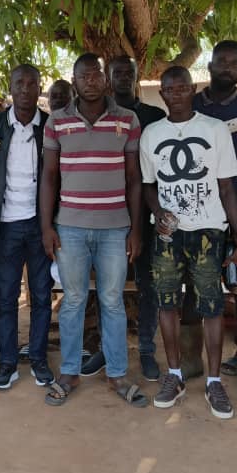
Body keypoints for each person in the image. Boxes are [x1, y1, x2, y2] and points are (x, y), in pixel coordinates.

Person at [39, 53, 146, 407]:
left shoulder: (128, 120)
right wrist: (46, 228)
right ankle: (69, 371)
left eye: (96, 74)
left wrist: (135, 230)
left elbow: (134, 179)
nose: (90, 80)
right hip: (69, 228)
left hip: (116, 229)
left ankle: (117, 374)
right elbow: (49, 178)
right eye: (83, 76)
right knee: (72, 301)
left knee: (112, 302)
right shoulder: (56, 122)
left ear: (105, 79)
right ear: (74, 80)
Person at [142, 66, 237, 417]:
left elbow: (227, 187)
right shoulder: (151, 135)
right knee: (167, 303)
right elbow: (147, 186)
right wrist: (158, 211)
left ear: (193, 89)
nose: (176, 94)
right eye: (169, 90)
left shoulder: (214, 130)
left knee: (212, 306)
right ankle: (174, 374)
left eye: (182, 88)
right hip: (168, 235)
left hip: (208, 231)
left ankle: (214, 380)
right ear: (162, 95)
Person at [81, 56, 165, 381]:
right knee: (107, 288)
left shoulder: (154, 118)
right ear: (107, 78)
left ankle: (146, 349)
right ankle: (106, 349)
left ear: (136, 77)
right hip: (107, 215)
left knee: (148, 286)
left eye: (129, 73)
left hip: (146, 215)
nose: (123, 78)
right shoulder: (96, 116)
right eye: (117, 73)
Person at [192, 40, 237, 399]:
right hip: (196, 208)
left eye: (233, 62)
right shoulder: (190, 105)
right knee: (193, 286)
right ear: (209, 65)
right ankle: (192, 361)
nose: (226, 67)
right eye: (220, 61)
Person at [0, 64, 55, 390]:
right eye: (19, 84)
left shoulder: (51, 126)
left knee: (42, 295)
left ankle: (38, 358)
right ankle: (7, 363)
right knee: (7, 296)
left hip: (41, 225)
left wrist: (51, 225)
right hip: (6, 226)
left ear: (39, 88)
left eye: (32, 84)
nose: (25, 89)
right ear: (10, 88)